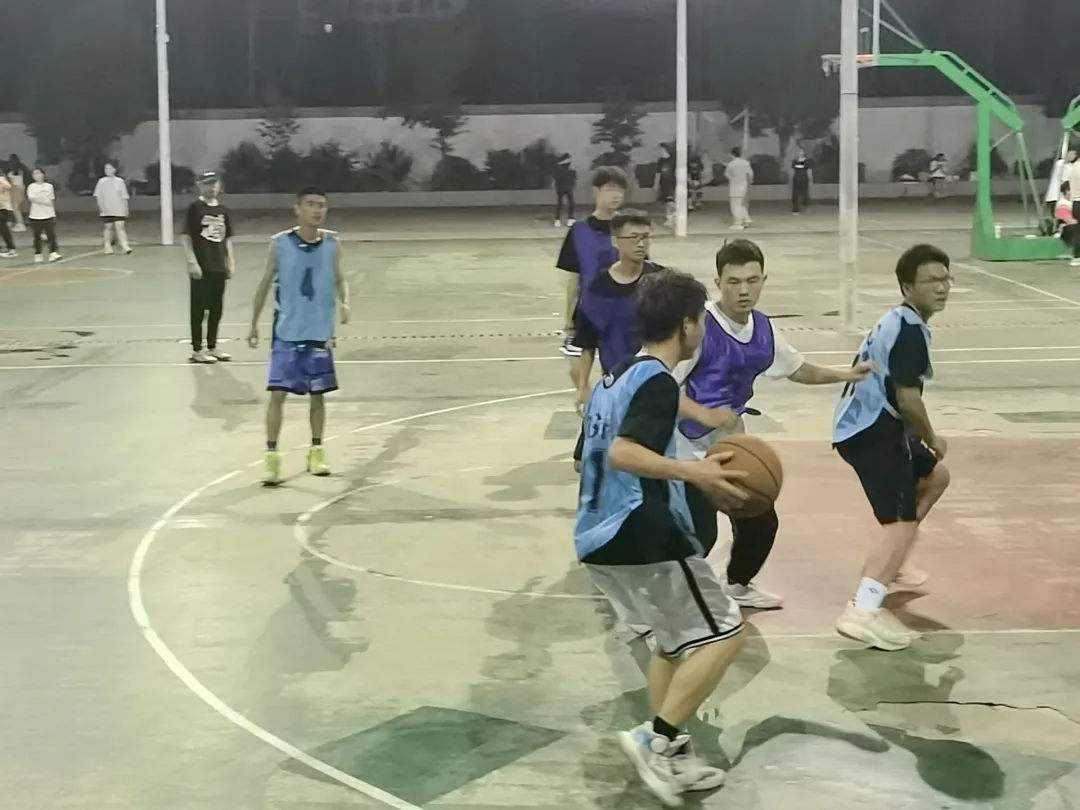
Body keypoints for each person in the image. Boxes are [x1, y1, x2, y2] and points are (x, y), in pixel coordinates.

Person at [574, 268, 751, 804]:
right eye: (701, 321)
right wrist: (695, 474)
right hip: (641, 529)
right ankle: (655, 740)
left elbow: (585, 456)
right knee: (725, 633)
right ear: (686, 325)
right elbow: (624, 452)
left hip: (597, 534)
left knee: (673, 646)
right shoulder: (656, 381)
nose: (703, 330)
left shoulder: (614, 378)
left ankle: (673, 755)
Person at [674, 239, 873, 610]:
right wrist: (704, 414)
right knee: (699, 535)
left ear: (764, 280)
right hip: (682, 448)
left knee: (759, 521)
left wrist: (846, 374)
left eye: (752, 280)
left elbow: (797, 368)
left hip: (731, 445)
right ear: (718, 283)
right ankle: (669, 607)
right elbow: (659, 386)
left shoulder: (762, 328)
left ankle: (737, 585)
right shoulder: (699, 326)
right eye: (734, 281)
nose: (744, 290)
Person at [832, 244, 953, 651]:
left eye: (945, 279)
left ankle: (892, 563)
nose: (941, 287)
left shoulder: (900, 320)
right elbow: (907, 398)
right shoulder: (910, 331)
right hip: (872, 431)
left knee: (935, 477)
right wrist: (931, 436)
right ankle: (863, 608)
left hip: (869, 425)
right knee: (898, 523)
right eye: (931, 281)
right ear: (907, 287)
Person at [247, 188, 350, 487]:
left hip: (319, 331)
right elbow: (265, 283)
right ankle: (271, 456)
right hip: (287, 332)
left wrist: (345, 302)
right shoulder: (280, 243)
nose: (317, 210)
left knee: (318, 395)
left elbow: (341, 279)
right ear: (297, 209)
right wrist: (253, 323)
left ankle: (316, 451)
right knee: (277, 394)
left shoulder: (332, 244)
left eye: (322, 206)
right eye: (311, 204)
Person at [573, 209, 663, 411]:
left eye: (645, 237)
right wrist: (583, 386)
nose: (641, 244)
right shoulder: (597, 288)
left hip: (658, 382)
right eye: (633, 237)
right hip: (616, 383)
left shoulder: (662, 281)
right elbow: (587, 342)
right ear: (615, 241)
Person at [556, 166, 627, 382]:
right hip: (586, 310)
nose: (616, 195)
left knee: (619, 374)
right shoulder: (579, 231)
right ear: (596, 191)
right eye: (610, 189)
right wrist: (568, 318)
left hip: (620, 312)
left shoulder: (627, 228)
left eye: (620, 190)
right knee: (578, 374)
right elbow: (572, 279)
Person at [182, 171, 236, 364]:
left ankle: (213, 346)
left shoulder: (223, 210)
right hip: (201, 265)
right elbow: (186, 236)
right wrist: (191, 261)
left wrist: (230, 261)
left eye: (214, 183)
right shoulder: (194, 208)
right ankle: (197, 349)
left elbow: (227, 238)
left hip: (218, 265)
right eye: (207, 184)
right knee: (198, 309)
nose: (212, 187)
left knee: (216, 309)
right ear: (200, 186)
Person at [94, 162, 132, 255]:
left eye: (109, 168)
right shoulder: (101, 182)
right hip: (106, 209)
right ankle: (107, 246)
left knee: (120, 227)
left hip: (119, 209)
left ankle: (125, 245)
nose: (107, 170)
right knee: (108, 228)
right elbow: (98, 196)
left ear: (115, 169)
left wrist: (125, 208)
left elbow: (124, 196)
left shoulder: (120, 181)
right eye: (106, 169)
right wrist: (101, 207)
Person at [26, 168, 61, 263]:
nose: (36, 176)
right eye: (34, 174)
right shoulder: (31, 187)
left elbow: (51, 199)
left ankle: (53, 253)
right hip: (35, 215)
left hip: (48, 215)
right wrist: (44, 202)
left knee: (51, 235)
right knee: (37, 236)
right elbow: (32, 198)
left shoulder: (49, 186)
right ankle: (38, 254)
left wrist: (52, 210)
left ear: (43, 174)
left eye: (38, 173)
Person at [724, 147, 753, 230]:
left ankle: (738, 223)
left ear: (732, 154)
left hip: (735, 186)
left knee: (735, 205)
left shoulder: (731, 164)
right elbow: (750, 174)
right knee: (741, 204)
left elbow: (727, 175)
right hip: (744, 185)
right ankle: (747, 220)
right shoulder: (746, 163)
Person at [553, 153, 577, 228]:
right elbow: (573, 181)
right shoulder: (571, 172)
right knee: (571, 203)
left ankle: (557, 220)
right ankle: (570, 219)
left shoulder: (558, 171)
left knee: (560, 203)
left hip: (560, 188)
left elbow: (556, 181)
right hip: (567, 188)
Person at [656, 145, 676, 227]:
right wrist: (656, 183)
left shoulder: (673, 160)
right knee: (666, 202)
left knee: (670, 201)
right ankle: (669, 218)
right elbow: (658, 173)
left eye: (661, 149)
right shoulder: (660, 161)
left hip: (671, 183)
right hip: (663, 183)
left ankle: (675, 215)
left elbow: (677, 171)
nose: (659, 151)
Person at [7, 154, 27, 232]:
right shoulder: (21, 170)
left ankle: (20, 224)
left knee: (16, 208)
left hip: (16, 190)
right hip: (19, 190)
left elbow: (11, 183)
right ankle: (18, 223)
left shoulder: (13, 172)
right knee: (16, 208)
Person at [791, 148, 812, 213]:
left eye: (801, 152)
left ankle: (806, 207)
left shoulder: (807, 161)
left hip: (804, 180)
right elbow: (792, 171)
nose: (800, 153)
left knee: (805, 194)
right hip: (796, 180)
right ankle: (795, 209)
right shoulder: (795, 161)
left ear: (804, 153)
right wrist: (791, 179)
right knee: (795, 195)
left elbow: (809, 171)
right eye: (799, 152)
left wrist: (810, 179)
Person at [0, 172, 17, 257]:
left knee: (4, 229)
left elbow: (8, 187)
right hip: (3, 208)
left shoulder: (2, 181)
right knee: (3, 229)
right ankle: (10, 248)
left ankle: (11, 248)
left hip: (3, 208)